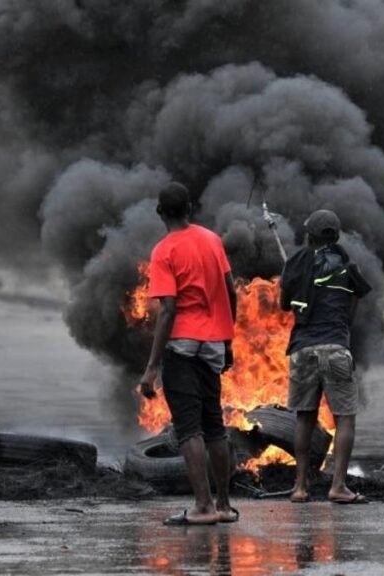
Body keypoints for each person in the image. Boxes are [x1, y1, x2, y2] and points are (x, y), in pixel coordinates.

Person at [139, 182, 239, 526]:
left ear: (159, 212)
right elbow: (230, 292)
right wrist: (227, 340)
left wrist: (152, 367)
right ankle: (224, 505)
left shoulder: (163, 251)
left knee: (189, 430)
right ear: (190, 208)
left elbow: (168, 309)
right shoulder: (212, 240)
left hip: (182, 345)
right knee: (215, 427)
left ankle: (203, 506)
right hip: (213, 345)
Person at [280, 209, 372, 504]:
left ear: (309, 235)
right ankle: (338, 486)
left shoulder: (296, 263)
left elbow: (285, 305)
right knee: (344, 418)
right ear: (336, 235)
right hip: (335, 348)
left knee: (304, 418)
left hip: (303, 349)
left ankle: (299, 487)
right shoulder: (347, 266)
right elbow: (350, 314)